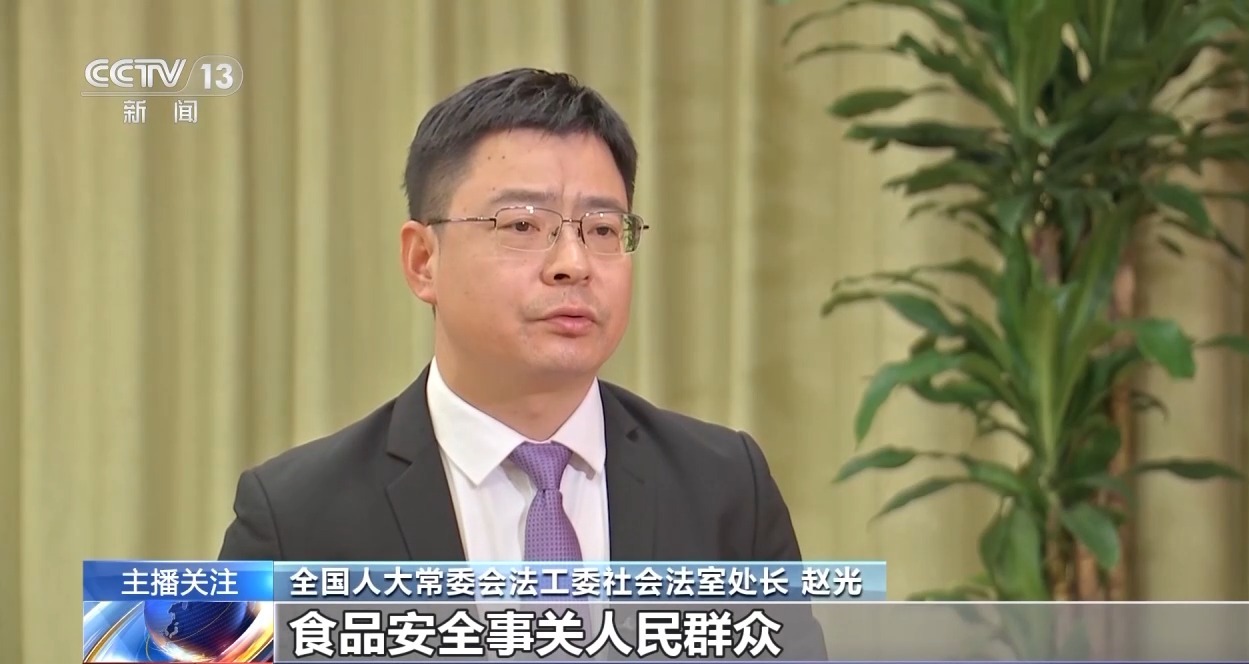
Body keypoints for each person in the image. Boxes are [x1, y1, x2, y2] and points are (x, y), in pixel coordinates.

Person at [218, 68, 826, 659]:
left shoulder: (724, 487)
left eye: (603, 230)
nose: (573, 264)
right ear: (423, 260)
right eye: (522, 225)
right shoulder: (296, 517)